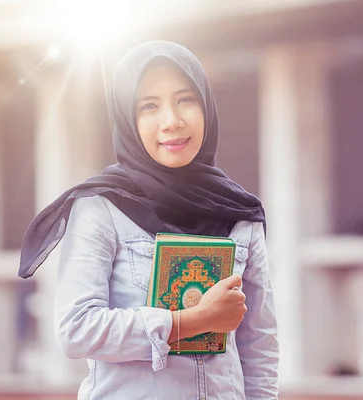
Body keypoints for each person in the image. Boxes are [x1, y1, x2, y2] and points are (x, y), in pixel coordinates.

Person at [19, 40, 279, 400]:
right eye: (149, 106)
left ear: (206, 107)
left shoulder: (240, 213)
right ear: (128, 118)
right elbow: (75, 329)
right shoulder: (102, 207)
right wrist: (190, 322)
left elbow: (260, 345)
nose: (171, 121)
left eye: (185, 100)